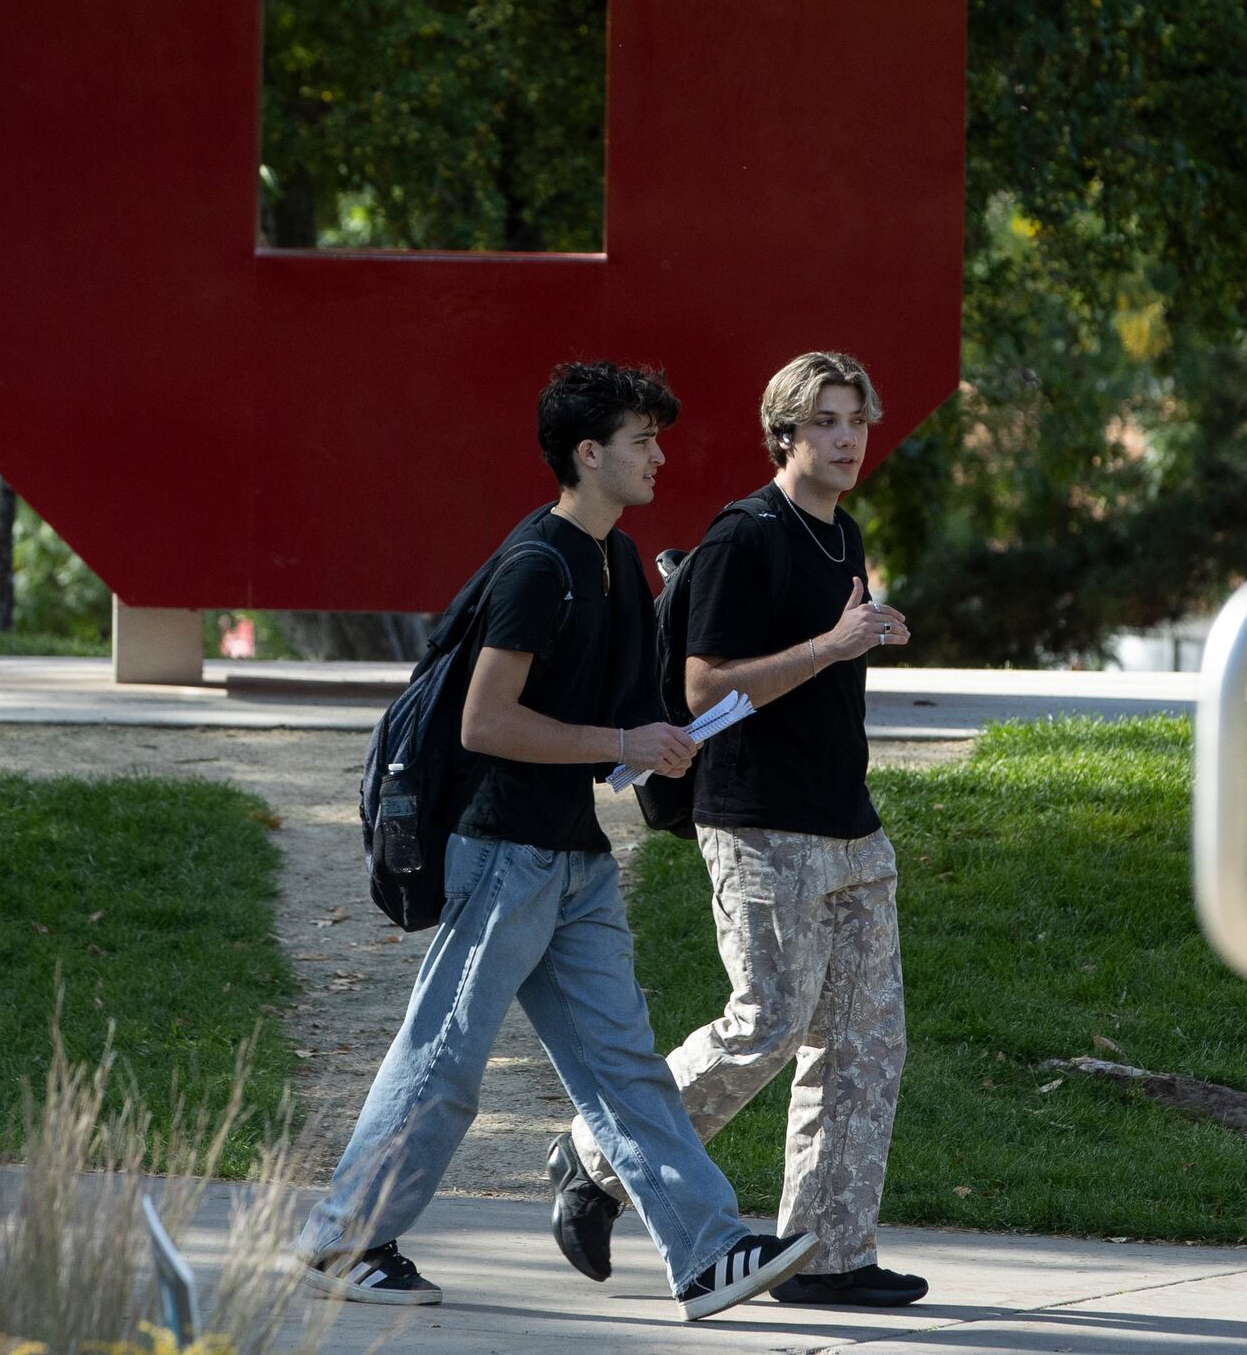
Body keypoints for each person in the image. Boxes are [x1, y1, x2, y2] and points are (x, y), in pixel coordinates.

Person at [295, 360, 815, 1320]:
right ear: (589, 454)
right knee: (446, 1058)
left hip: (573, 856)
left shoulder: (616, 561)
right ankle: (344, 1238)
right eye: (640, 440)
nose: (659, 455)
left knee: (624, 1070)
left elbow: (610, 713)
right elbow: (486, 723)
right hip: (502, 853)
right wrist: (622, 742)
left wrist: (662, 740)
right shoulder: (540, 566)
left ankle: (707, 1255)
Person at [547, 350, 926, 1308]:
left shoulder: (844, 535)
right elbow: (705, 687)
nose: (848, 439)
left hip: (848, 821)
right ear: (785, 434)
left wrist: (867, 634)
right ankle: (593, 1155)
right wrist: (834, 644)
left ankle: (830, 1256)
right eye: (827, 422)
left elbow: (821, 670)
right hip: (760, 824)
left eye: (857, 421)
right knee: (767, 1024)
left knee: (863, 1042)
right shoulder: (742, 538)